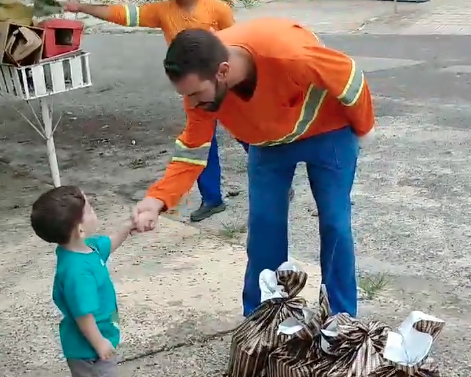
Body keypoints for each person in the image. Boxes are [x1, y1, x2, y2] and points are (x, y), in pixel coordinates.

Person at [130, 19, 375, 318]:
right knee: (264, 226)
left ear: (222, 71)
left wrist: (363, 129)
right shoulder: (200, 93)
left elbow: (351, 79)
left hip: (329, 132)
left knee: (335, 222)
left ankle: (340, 319)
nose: (191, 103)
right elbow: (193, 150)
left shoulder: (289, 53)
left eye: (195, 94)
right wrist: (156, 200)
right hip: (268, 144)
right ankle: (262, 317)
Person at [64, 0, 248, 221]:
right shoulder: (163, 10)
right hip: (195, 96)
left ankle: (272, 179)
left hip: (222, 88)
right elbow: (123, 14)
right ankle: (212, 199)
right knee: (200, 145)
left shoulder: (217, 8)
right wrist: (82, 7)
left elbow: (236, 43)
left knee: (246, 133)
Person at [30, 186, 134, 377]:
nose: (93, 208)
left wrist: (128, 227)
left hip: (100, 335)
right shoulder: (77, 273)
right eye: (89, 208)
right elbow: (83, 315)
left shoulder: (85, 249)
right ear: (79, 228)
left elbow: (108, 245)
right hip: (87, 346)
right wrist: (99, 343)